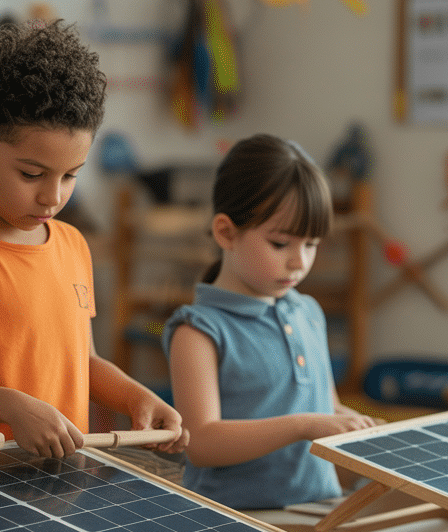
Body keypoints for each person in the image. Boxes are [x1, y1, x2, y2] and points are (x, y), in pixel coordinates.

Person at [0, 20, 185, 460]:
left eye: (71, 175)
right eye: (31, 174)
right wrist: (12, 406)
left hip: (61, 475)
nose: (53, 196)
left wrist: (136, 398)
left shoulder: (73, 244)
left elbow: (84, 362)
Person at [162, 134, 378, 509]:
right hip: (230, 522)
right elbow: (201, 442)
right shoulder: (197, 331)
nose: (300, 261)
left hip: (316, 510)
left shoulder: (307, 312)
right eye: (281, 244)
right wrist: (303, 425)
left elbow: (326, 407)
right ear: (226, 233)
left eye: (311, 244)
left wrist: (357, 425)